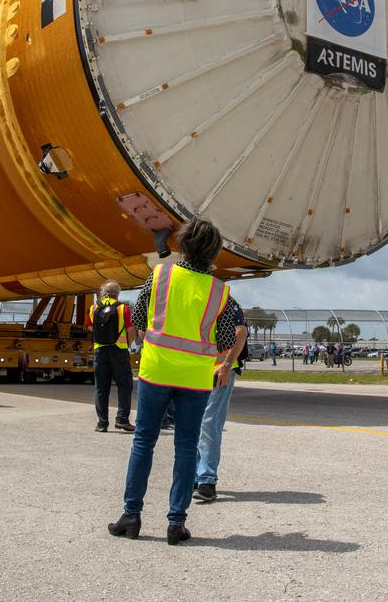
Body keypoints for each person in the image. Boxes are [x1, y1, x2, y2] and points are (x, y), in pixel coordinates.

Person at [108, 218, 237, 546]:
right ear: (213, 252)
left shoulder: (161, 274)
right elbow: (224, 340)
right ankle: (176, 522)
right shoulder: (220, 292)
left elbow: (138, 318)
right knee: (186, 446)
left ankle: (131, 516)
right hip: (195, 378)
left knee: (143, 442)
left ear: (183, 244)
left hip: (157, 370)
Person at [195, 301, 248, 501]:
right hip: (195, 370)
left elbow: (240, 332)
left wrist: (226, 365)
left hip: (218, 370)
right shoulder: (200, 302)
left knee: (209, 424)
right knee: (195, 424)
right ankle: (196, 475)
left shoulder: (226, 303)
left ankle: (207, 479)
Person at [86, 280, 138, 433]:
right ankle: (122, 420)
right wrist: (127, 343)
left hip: (100, 351)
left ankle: (102, 423)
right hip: (119, 351)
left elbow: (90, 327)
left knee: (101, 388)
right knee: (125, 385)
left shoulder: (93, 308)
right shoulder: (123, 309)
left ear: (103, 293)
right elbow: (130, 330)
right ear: (117, 293)